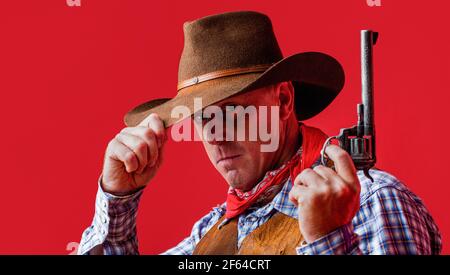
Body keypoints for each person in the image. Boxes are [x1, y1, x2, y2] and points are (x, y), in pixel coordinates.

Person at [78, 11, 441, 255]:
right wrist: (118, 198)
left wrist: (330, 241)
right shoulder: (210, 232)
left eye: (233, 113)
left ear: (283, 99)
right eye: (204, 119)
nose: (216, 137)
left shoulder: (374, 201)